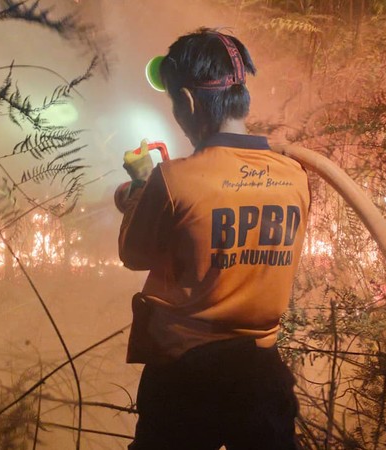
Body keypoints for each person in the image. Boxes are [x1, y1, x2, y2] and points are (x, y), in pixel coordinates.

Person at [118, 28, 310, 450]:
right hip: (261, 375)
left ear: (187, 102)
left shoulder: (173, 179)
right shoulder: (295, 176)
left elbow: (134, 254)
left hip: (185, 379)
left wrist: (140, 186)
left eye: (174, 102)